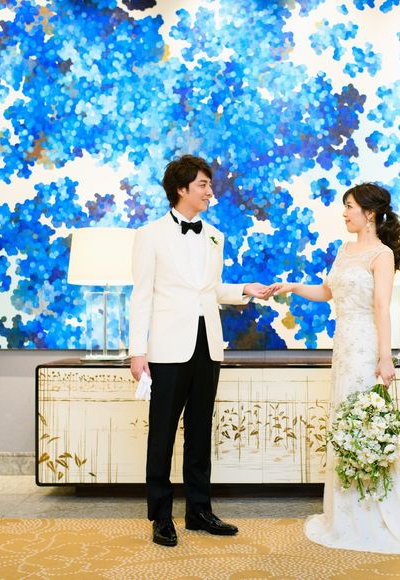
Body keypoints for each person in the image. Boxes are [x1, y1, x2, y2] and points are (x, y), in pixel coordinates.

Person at [270, 182, 400, 554]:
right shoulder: (344, 250)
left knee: (365, 424)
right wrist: (292, 287)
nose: (344, 213)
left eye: (350, 206)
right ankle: (346, 516)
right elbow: (327, 292)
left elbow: (381, 307)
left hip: (365, 346)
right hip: (343, 346)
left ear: (370, 213)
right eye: (344, 206)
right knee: (344, 424)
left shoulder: (382, 255)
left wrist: (385, 357)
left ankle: (374, 512)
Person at [129, 155, 272, 547]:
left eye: (210, 184)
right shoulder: (150, 235)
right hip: (166, 349)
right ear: (181, 189)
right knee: (162, 434)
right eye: (203, 185)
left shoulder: (214, 235)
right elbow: (141, 296)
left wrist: (245, 289)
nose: (210, 191)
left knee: (199, 432)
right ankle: (161, 516)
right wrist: (137, 352)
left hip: (207, 345)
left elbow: (210, 289)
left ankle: (198, 510)